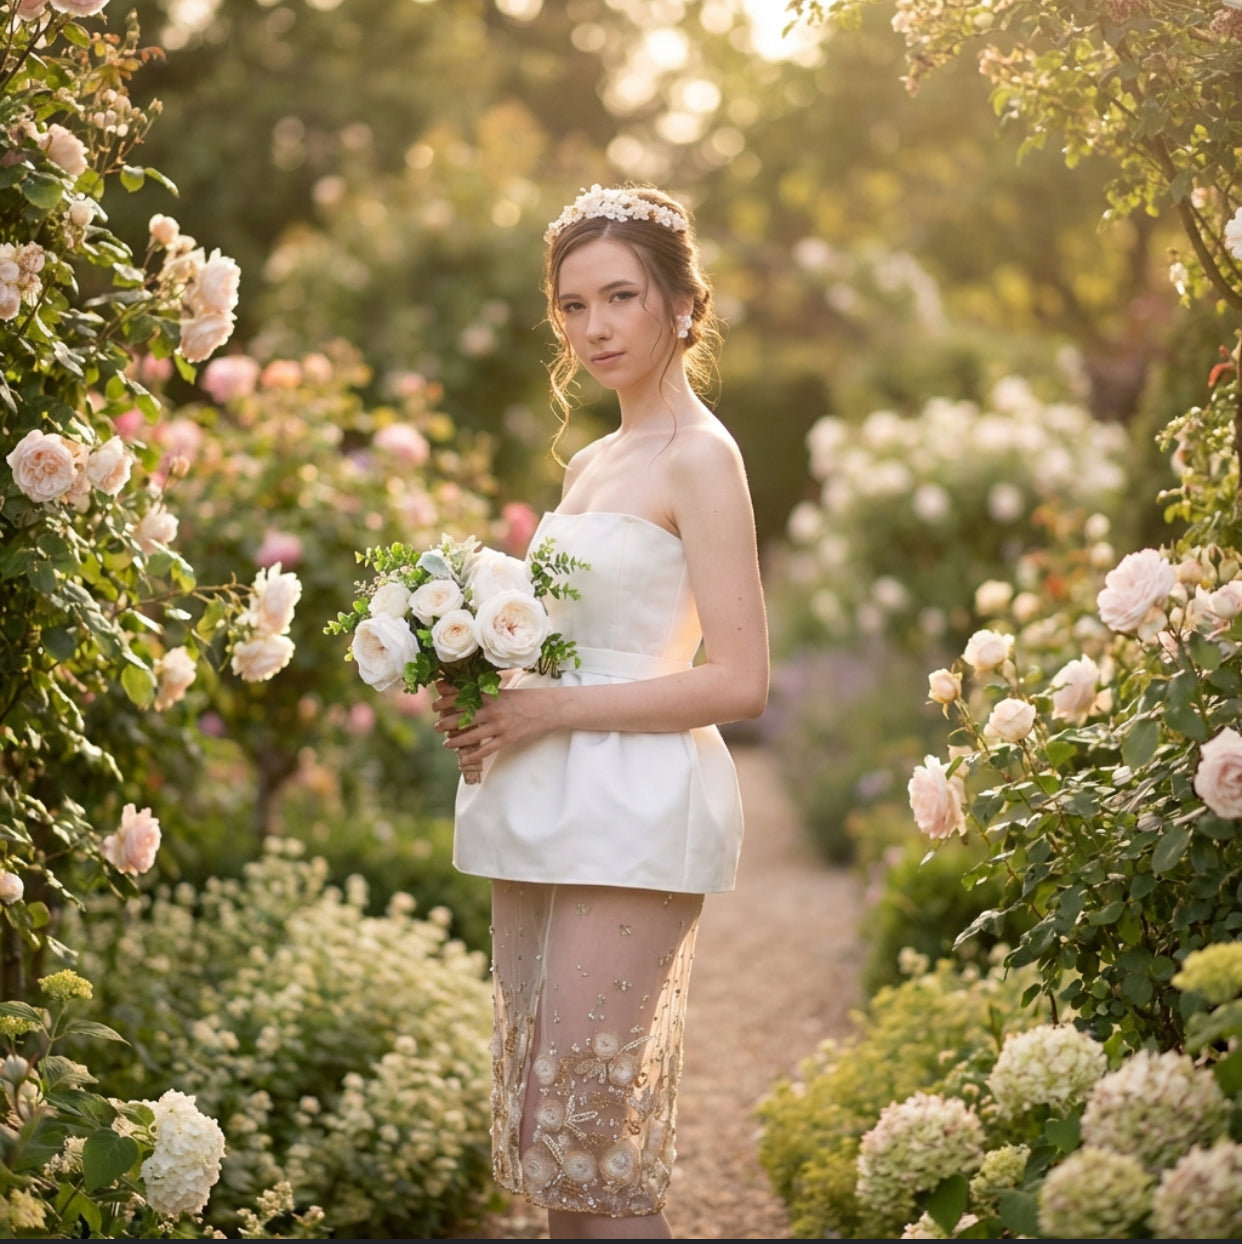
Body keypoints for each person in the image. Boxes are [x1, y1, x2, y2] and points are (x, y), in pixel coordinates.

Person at [433, 183, 769, 1240]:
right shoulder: (588, 462)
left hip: (636, 802)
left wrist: (548, 712)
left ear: (683, 303)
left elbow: (741, 680)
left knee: (583, 1134)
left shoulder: (702, 457)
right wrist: (480, 683)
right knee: (552, 1147)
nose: (596, 327)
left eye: (621, 296)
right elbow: (566, 638)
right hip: (547, 796)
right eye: (574, 305)